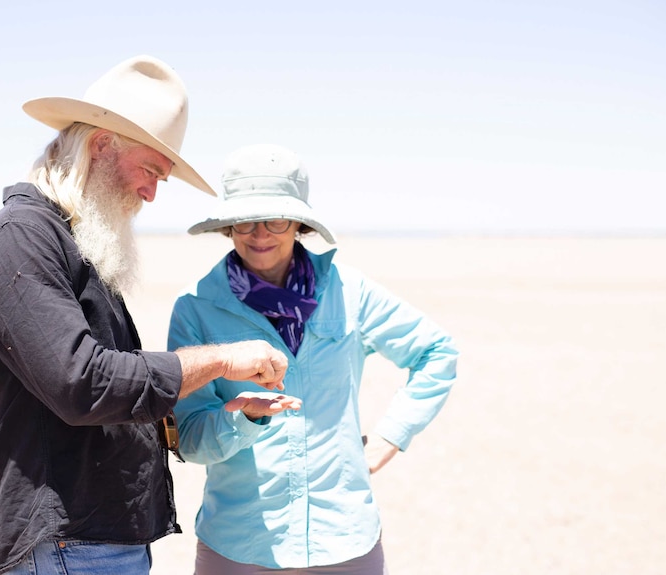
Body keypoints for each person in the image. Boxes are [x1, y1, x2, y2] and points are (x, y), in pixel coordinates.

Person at [0, 57, 289, 575]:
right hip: (65, 543)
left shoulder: (72, 241)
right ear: (100, 144)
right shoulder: (22, 238)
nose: (152, 192)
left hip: (92, 539)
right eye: (150, 169)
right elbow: (82, 383)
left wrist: (216, 414)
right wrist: (219, 360)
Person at [167, 143, 459, 574]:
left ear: (298, 223)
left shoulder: (350, 291)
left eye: (275, 219)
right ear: (228, 227)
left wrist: (390, 437)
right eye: (245, 221)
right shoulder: (195, 310)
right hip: (239, 545)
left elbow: (437, 352)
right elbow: (189, 440)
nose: (260, 234)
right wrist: (243, 418)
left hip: (345, 541)